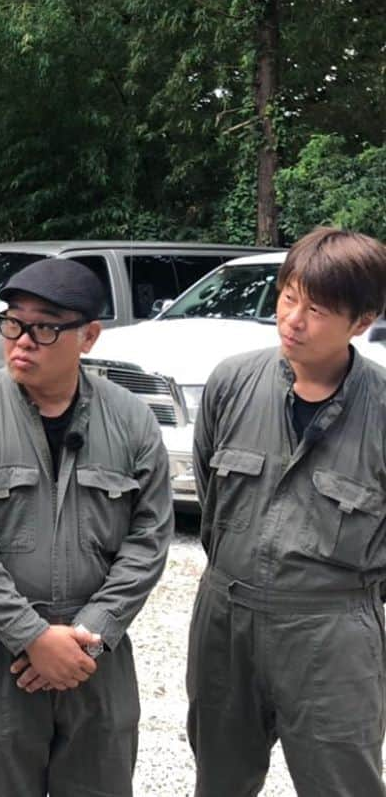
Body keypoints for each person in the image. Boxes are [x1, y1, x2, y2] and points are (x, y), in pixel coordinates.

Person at [0, 257, 174, 797]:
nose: (23, 340)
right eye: (13, 321)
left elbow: (149, 538)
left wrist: (93, 633)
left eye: (46, 326)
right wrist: (30, 636)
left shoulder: (130, 420)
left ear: (89, 336)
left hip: (94, 660)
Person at [187, 227, 386, 796]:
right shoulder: (232, 383)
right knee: (220, 777)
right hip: (226, 618)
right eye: (288, 296)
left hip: (332, 632)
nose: (292, 319)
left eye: (316, 309)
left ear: (361, 321)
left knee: (341, 783)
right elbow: (211, 493)